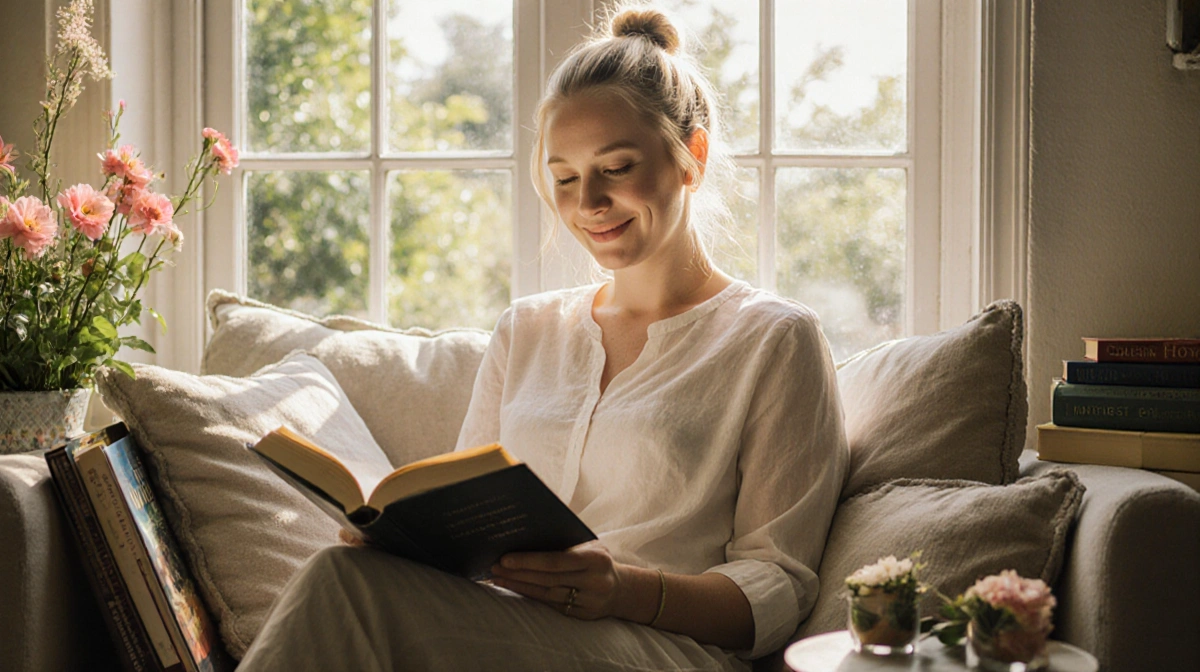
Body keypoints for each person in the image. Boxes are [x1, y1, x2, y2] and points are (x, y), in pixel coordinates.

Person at [237, 6, 848, 671]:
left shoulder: (774, 339)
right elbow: (464, 518)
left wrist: (625, 589)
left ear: (691, 158)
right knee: (351, 574)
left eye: (615, 168)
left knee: (342, 589)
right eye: (564, 178)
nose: (588, 202)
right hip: (498, 633)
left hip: (663, 650)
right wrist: (404, 544)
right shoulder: (527, 330)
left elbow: (780, 586)